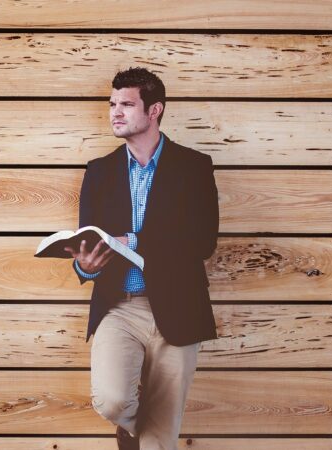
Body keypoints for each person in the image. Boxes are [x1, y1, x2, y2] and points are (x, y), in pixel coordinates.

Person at [64, 67, 219, 450]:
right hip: (119, 306)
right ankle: (132, 428)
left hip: (180, 305)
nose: (115, 112)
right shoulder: (98, 171)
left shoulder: (194, 167)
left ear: (154, 110)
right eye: (113, 104)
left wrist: (133, 239)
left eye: (127, 104)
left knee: (160, 439)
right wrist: (85, 266)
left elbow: (202, 241)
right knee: (113, 400)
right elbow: (89, 239)